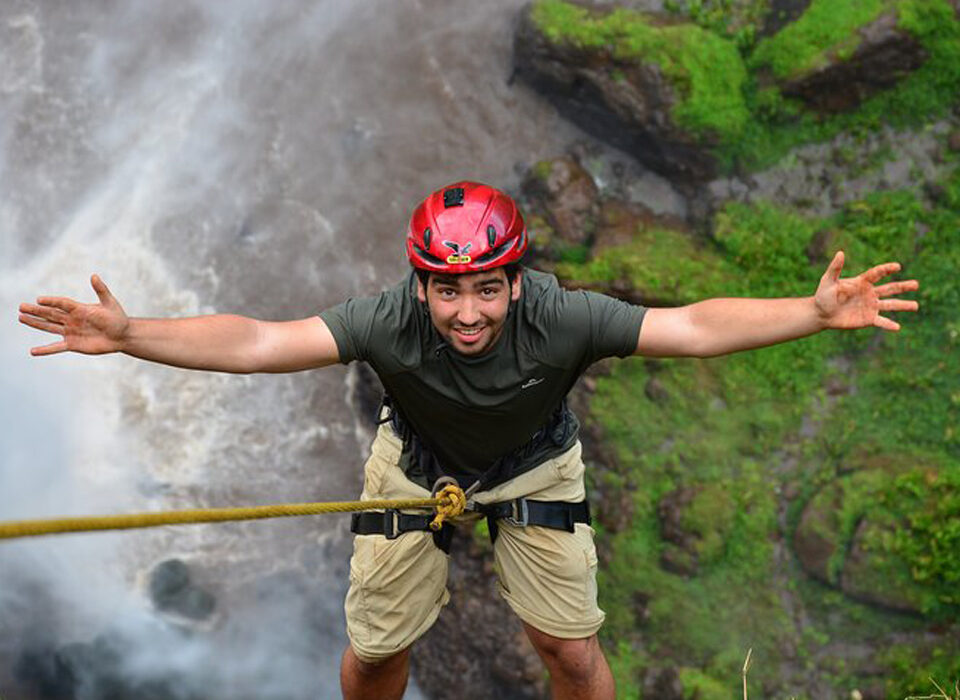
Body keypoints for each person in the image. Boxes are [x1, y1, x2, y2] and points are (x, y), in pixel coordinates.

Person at [18, 181, 919, 700]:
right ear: (420, 288)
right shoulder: (387, 321)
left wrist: (808, 313)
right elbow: (259, 341)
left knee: (571, 651)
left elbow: (688, 327)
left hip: (534, 464)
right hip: (415, 466)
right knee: (377, 651)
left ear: (517, 282)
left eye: (487, 288)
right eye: (447, 291)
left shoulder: (564, 318)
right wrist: (132, 335)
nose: (467, 312)